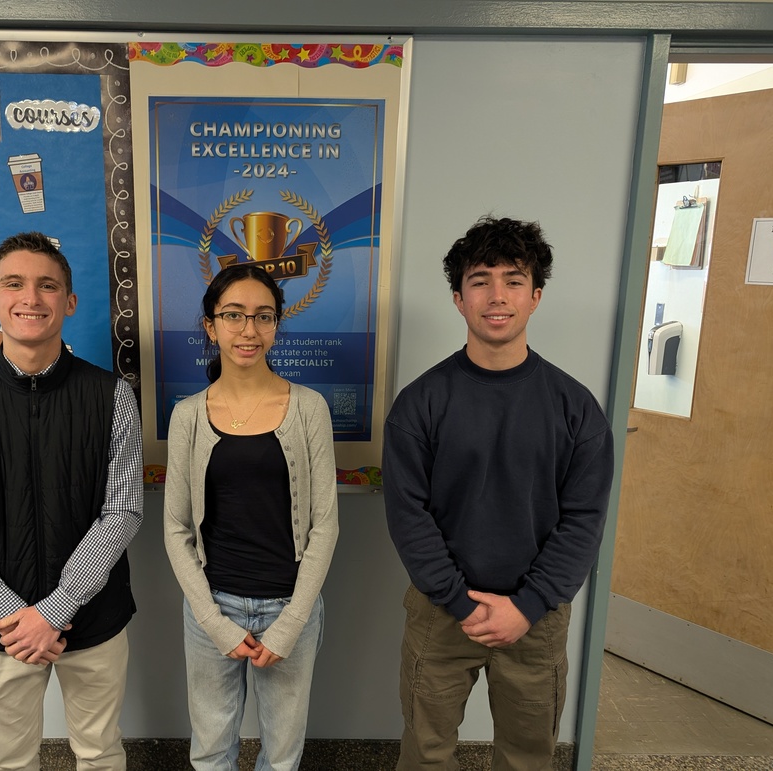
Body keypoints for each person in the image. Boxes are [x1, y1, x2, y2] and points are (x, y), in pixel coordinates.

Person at [383, 216, 615, 770]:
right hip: (441, 614)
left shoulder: (575, 408)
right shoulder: (420, 405)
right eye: (479, 280)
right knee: (425, 754)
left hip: (535, 618)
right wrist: (459, 601)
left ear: (535, 297)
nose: (496, 295)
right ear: (458, 299)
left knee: (527, 757)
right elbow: (408, 516)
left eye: (513, 280)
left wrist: (527, 605)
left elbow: (584, 520)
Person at [0, 231, 143, 771]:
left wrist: (55, 611)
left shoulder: (111, 396)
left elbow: (122, 512)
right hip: (1, 630)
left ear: (69, 302)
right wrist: (14, 615)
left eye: (48, 286)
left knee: (98, 752)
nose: (31, 298)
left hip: (91, 624)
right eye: (14, 284)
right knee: (12, 761)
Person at [163, 262, 339, 771]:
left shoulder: (309, 408)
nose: (249, 330)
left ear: (277, 325)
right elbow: (176, 529)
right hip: (212, 608)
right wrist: (214, 622)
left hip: (291, 609)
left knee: (282, 755)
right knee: (212, 749)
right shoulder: (189, 415)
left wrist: (289, 625)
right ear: (210, 326)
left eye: (263, 317)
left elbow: (325, 524)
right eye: (234, 315)